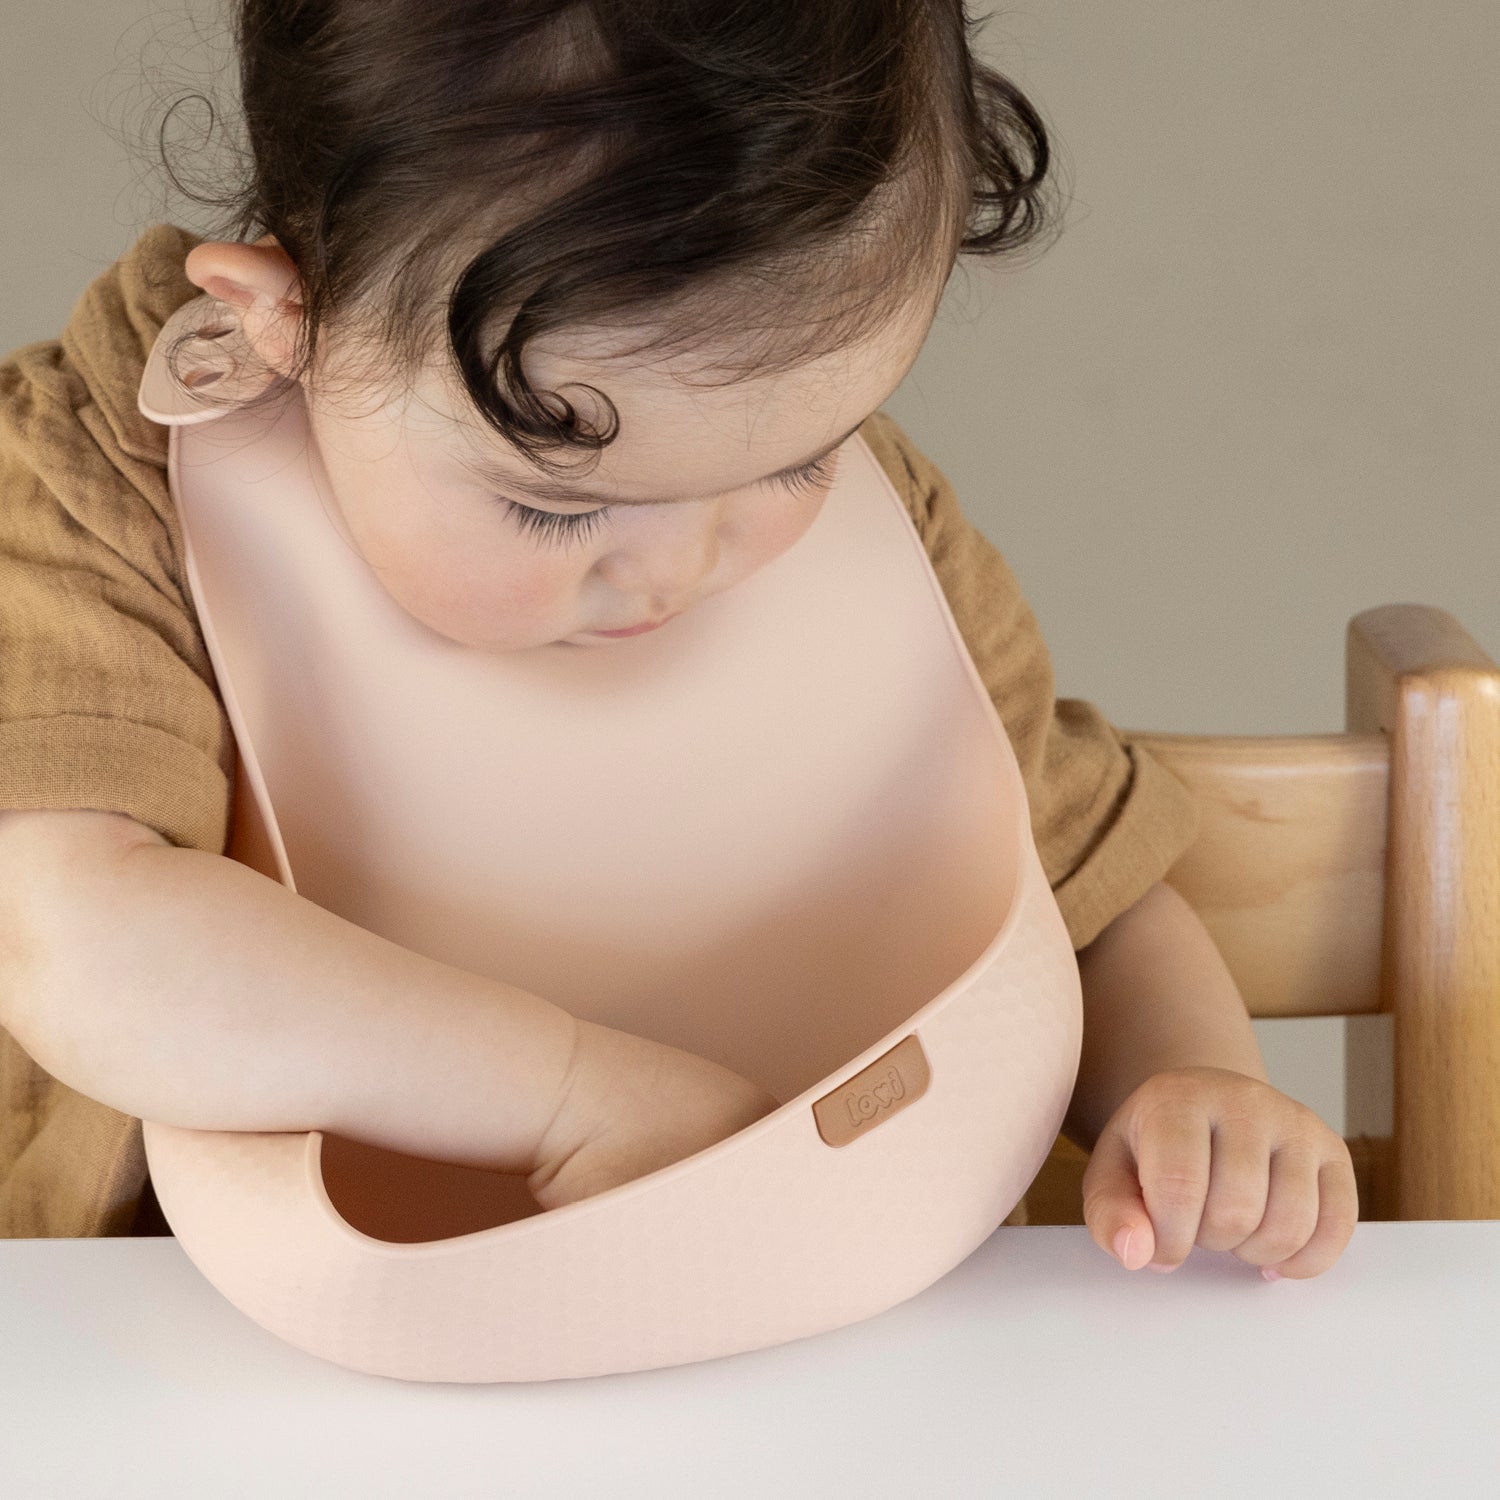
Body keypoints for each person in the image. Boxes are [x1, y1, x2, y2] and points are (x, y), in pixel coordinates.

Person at [0, 0, 1355, 1278]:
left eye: (800, 459)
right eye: (551, 506)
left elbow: (1073, 880)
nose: (685, 568)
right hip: (192, 1364)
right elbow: (76, 937)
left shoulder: (865, 527)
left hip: (798, 1318)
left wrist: (1199, 1087)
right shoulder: (84, 491)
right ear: (282, 315)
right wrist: (567, 1093)